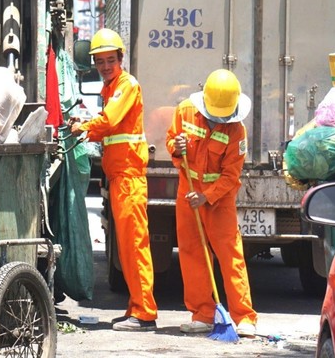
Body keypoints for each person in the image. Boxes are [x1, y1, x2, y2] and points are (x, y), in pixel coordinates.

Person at [69, 28, 158, 332]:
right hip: (120, 176)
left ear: (121, 59)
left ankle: (145, 313)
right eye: (100, 61)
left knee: (135, 245)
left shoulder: (125, 86)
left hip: (129, 176)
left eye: (110, 60)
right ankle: (136, 306)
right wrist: (86, 128)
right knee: (128, 247)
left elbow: (109, 122)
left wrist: (84, 127)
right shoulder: (111, 87)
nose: (105, 66)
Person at [165, 69, 258, 337]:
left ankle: (244, 317)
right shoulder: (185, 111)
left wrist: (208, 195)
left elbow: (231, 175)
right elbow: (171, 140)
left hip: (218, 200)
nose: (218, 120)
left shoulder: (237, 131)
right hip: (188, 194)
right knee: (192, 253)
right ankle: (202, 314)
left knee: (230, 255)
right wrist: (176, 146)